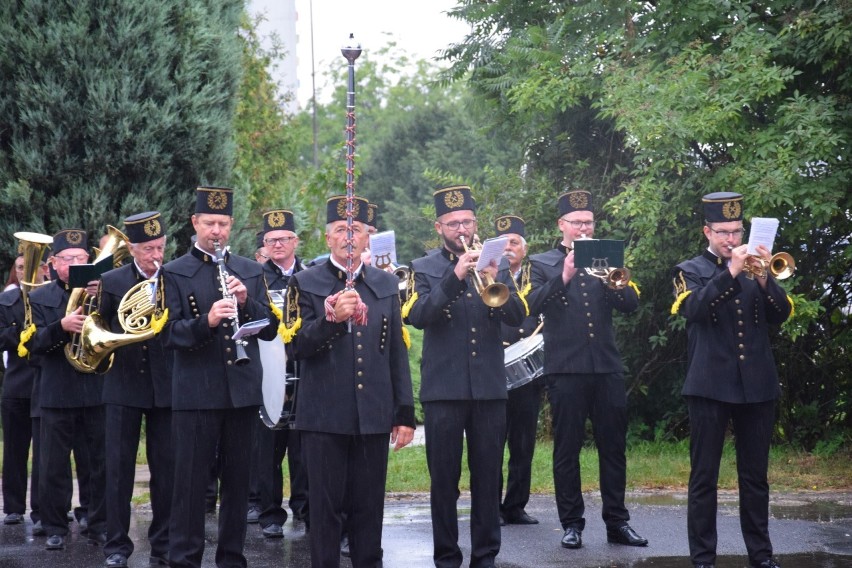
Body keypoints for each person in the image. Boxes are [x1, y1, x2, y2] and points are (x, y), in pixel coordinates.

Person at [283, 195, 415, 568]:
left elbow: (395, 353)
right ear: (328, 239)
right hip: (322, 416)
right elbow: (294, 347)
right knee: (324, 512)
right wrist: (331, 321)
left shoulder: (386, 285)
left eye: (355, 230)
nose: (348, 237)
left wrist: (404, 413)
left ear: (368, 237)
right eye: (341, 230)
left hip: (373, 414)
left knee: (369, 509)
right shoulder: (304, 282)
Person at [405, 185, 525, 568]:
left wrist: (494, 276)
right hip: (444, 390)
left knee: (488, 478)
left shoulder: (498, 265)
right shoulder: (422, 268)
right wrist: (456, 276)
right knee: (444, 480)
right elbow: (419, 316)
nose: (461, 228)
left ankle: (486, 556)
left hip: (488, 389)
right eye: (453, 222)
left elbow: (518, 317)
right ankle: (446, 556)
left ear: (476, 223)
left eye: (468, 221)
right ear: (439, 226)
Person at [671, 192, 790, 568]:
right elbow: (694, 309)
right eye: (723, 232)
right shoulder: (688, 269)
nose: (731, 240)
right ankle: (704, 558)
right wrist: (733, 272)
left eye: (736, 232)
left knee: (755, 478)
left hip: (757, 385)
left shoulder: (758, 267)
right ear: (707, 231)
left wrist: (766, 280)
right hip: (709, 386)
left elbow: (781, 315)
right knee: (704, 477)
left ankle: (761, 555)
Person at [161, 186, 278, 568]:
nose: (216, 231)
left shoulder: (250, 269)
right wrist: (206, 321)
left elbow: (272, 328)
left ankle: (232, 558)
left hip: (241, 394)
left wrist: (248, 302)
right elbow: (168, 334)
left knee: (238, 485)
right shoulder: (174, 272)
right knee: (191, 485)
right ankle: (184, 559)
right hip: (196, 394)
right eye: (209, 223)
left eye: (223, 224)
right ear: (195, 223)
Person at [526, 190, 647, 550]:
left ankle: (618, 522)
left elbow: (631, 304)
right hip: (566, 368)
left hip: (606, 366)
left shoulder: (607, 257)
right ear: (561, 225)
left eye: (588, 222)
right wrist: (563, 275)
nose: (583, 227)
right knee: (567, 449)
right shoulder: (543, 262)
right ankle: (572, 523)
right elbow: (531, 305)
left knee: (614, 447)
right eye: (576, 222)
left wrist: (612, 276)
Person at [98, 211, 173, 568]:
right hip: (123, 384)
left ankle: (163, 543)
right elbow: (98, 328)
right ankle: (116, 545)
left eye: (160, 247)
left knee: (166, 468)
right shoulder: (111, 281)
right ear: (130, 248)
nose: (155, 255)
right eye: (147, 249)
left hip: (165, 385)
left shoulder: (174, 278)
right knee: (118, 468)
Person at [28, 229, 107, 550]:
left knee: (99, 462)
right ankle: (55, 524)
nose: (75, 263)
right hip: (57, 391)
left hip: (95, 389)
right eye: (69, 259)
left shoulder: (101, 292)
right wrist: (61, 327)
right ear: (53, 264)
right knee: (54, 464)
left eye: (82, 259)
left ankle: (98, 521)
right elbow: (31, 344)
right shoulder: (40, 297)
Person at [250, 208, 308, 539]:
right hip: (268, 374)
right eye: (270, 240)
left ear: (295, 241)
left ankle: (306, 506)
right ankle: (270, 514)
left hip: (305, 370)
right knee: (268, 450)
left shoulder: (312, 274)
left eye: (283, 238)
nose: (277, 245)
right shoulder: (254, 278)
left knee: (304, 448)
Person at [493, 215, 543, 526]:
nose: (508, 248)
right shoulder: (485, 275)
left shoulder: (536, 276)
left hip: (527, 369)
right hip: (494, 367)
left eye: (514, 243)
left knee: (523, 441)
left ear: (524, 249)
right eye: (502, 244)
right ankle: (490, 506)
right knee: (493, 441)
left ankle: (515, 505)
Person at [0, 244, 47, 527]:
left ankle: (44, 508)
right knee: (15, 451)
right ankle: (14, 507)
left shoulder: (52, 298)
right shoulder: (6, 303)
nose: (26, 272)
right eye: (20, 268)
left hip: (44, 385)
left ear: (45, 269)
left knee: (46, 452)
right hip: (16, 385)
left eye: (31, 267)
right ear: (15, 273)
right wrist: (21, 328)